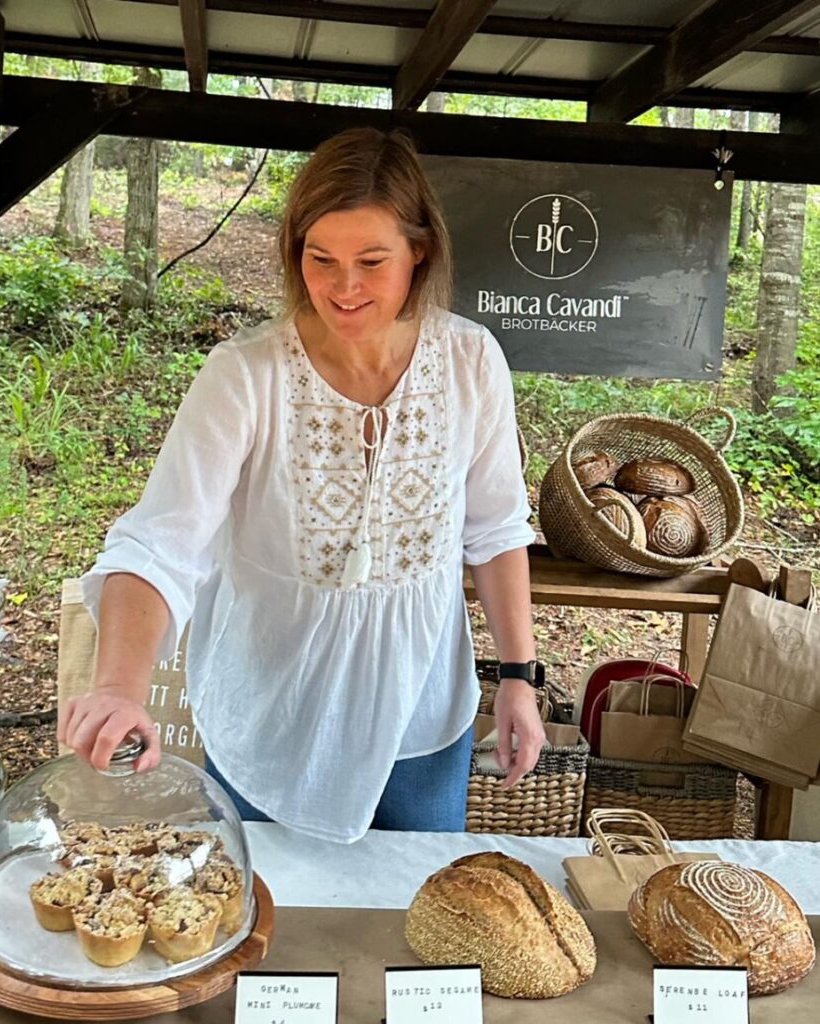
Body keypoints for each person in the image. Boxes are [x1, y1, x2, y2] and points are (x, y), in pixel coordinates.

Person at [58, 127, 546, 843]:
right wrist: (117, 688)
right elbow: (161, 542)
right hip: (272, 720)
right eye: (321, 259)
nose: (343, 288)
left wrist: (516, 676)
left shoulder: (471, 360)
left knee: (417, 917)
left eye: (371, 261)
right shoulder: (247, 375)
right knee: (269, 924)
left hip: (421, 715)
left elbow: (496, 528)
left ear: (420, 251)